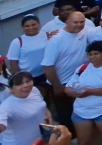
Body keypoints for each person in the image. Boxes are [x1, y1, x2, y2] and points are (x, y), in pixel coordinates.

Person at [65, 40, 102, 145]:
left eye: (96, 53)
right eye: (90, 54)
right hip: (81, 111)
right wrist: (73, 93)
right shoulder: (82, 68)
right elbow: (68, 87)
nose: (92, 57)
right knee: (83, 142)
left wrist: (90, 92)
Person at [41, 11, 89, 139]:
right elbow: (47, 66)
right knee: (66, 115)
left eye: (82, 22)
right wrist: (58, 86)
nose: (79, 25)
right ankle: (69, 139)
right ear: (67, 22)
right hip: (61, 84)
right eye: (75, 22)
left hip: (79, 81)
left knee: (80, 112)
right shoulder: (55, 39)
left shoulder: (85, 31)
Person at [0, 71, 51, 145]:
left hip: (37, 139)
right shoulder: (6, 107)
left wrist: (47, 113)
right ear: (11, 89)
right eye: (19, 84)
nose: (26, 85)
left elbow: (41, 103)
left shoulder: (34, 90)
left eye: (28, 81)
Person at [7, 14, 49, 93]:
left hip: (46, 73)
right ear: (23, 27)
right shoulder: (17, 42)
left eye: (33, 24)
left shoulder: (47, 35)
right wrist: (20, 79)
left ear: (39, 24)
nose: (31, 28)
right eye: (27, 26)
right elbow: (13, 63)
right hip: (28, 77)